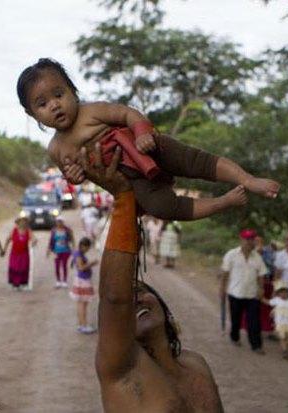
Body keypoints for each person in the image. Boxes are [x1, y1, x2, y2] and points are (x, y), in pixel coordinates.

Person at [16, 58, 280, 222]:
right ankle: (224, 202)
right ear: (31, 114)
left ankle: (247, 179)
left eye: (59, 94)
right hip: (131, 178)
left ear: (73, 91)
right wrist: (74, 175)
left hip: (148, 148)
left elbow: (128, 113)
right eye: (42, 103)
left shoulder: (92, 111)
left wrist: (142, 132)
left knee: (195, 161)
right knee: (162, 207)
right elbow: (75, 175)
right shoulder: (56, 148)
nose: (54, 105)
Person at [76, 143, 224, 412]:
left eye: (141, 293)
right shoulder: (123, 371)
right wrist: (124, 199)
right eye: (128, 300)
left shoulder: (196, 365)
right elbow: (114, 298)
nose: (135, 302)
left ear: (165, 309)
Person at [220, 229, 267, 354]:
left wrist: (261, 289)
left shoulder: (257, 257)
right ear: (241, 240)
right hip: (235, 293)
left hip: (252, 294)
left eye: (252, 239)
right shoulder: (231, 254)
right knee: (236, 320)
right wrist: (222, 290)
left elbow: (261, 275)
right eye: (247, 239)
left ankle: (256, 345)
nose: (249, 242)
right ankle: (234, 337)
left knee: (254, 321)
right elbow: (225, 273)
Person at [69, 237, 98, 334]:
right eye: (87, 247)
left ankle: (81, 324)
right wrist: (91, 263)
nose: (88, 250)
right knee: (83, 304)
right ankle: (84, 325)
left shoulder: (79, 253)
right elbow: (81, 267)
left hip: (82, 280)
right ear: (83, 246)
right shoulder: (78, 254)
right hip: (83, 281)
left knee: (80, 304)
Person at [261, 280, 288, 359]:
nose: (283, 294)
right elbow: (268, 302)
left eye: (284, 292)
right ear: (278, 293)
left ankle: (287, 342)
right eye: (280, 292)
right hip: (279, 324)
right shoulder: (276, 300)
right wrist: (261, 298)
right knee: (282, 337)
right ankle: (285, 351)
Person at [4, 214, 37, 290]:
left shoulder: (28, 231)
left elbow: (34, 239)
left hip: (24, 254)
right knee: (14, 267)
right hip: (15, 253)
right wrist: (5, 249)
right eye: (21, 222)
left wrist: (33, 242)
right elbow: (8, 239)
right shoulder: (14, 230)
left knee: (23, 268)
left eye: (24, 222)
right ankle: (15, 283)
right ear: (18, 223)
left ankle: (22, 283)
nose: (23, 223)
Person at [48, 218, 74, 288]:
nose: (59, 223)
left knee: (64, 265)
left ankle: (65, 281)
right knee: (57, 266)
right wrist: (49, 250)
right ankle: (58, 281)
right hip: (56, 251)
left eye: (60, 222)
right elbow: (51, 241)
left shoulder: (67, 230)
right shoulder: (54, 231)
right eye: (58, 222)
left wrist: (73, 248)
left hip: (65, 251)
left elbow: (72, 239)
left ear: (63, 222)